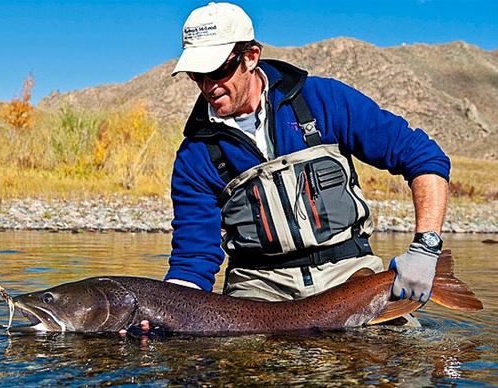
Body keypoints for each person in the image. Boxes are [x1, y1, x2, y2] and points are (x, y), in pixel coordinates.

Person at [164, 2, 449, 314]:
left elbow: (423, 157)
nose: (208, 86)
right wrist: (161, 312)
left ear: (250, 56)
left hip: (351, 280)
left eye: (218, 70)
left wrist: (426, 248)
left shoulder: (323, 100)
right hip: (258, 295)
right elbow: (193, 262)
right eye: (197, 74)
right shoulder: (195, 155)